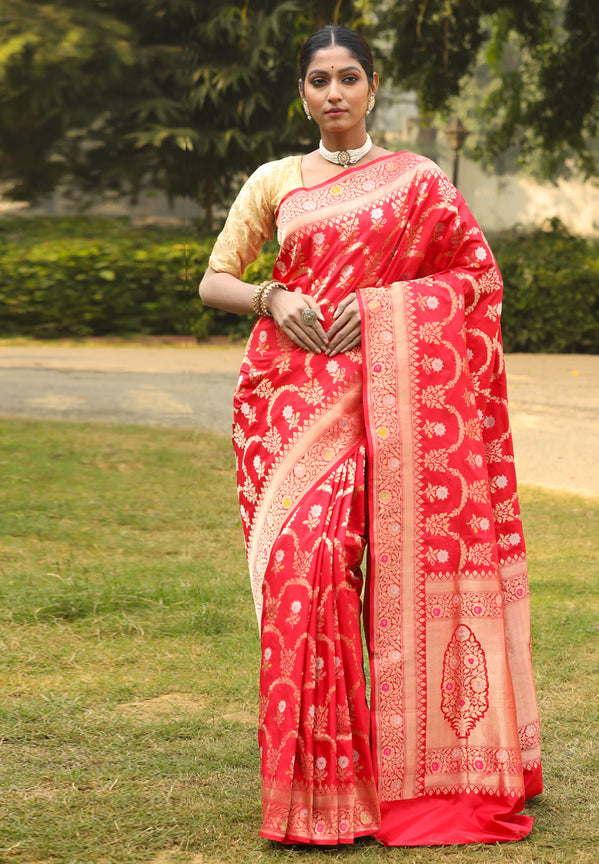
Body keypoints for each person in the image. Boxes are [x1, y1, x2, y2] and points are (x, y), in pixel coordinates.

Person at [199, 24, 542, 847]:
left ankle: (404, 774)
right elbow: (215, 279)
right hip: (286, 405)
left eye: (348, 78)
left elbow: (475, 276)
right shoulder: (276, 180)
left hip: (391, 397)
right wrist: (272, 298)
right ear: (303, 93)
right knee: (304, 572)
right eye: (319, 81)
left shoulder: (419, 182)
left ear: (373, 85)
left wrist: (390, 306)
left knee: (381, 579)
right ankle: (318, 790)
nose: (334, 94)